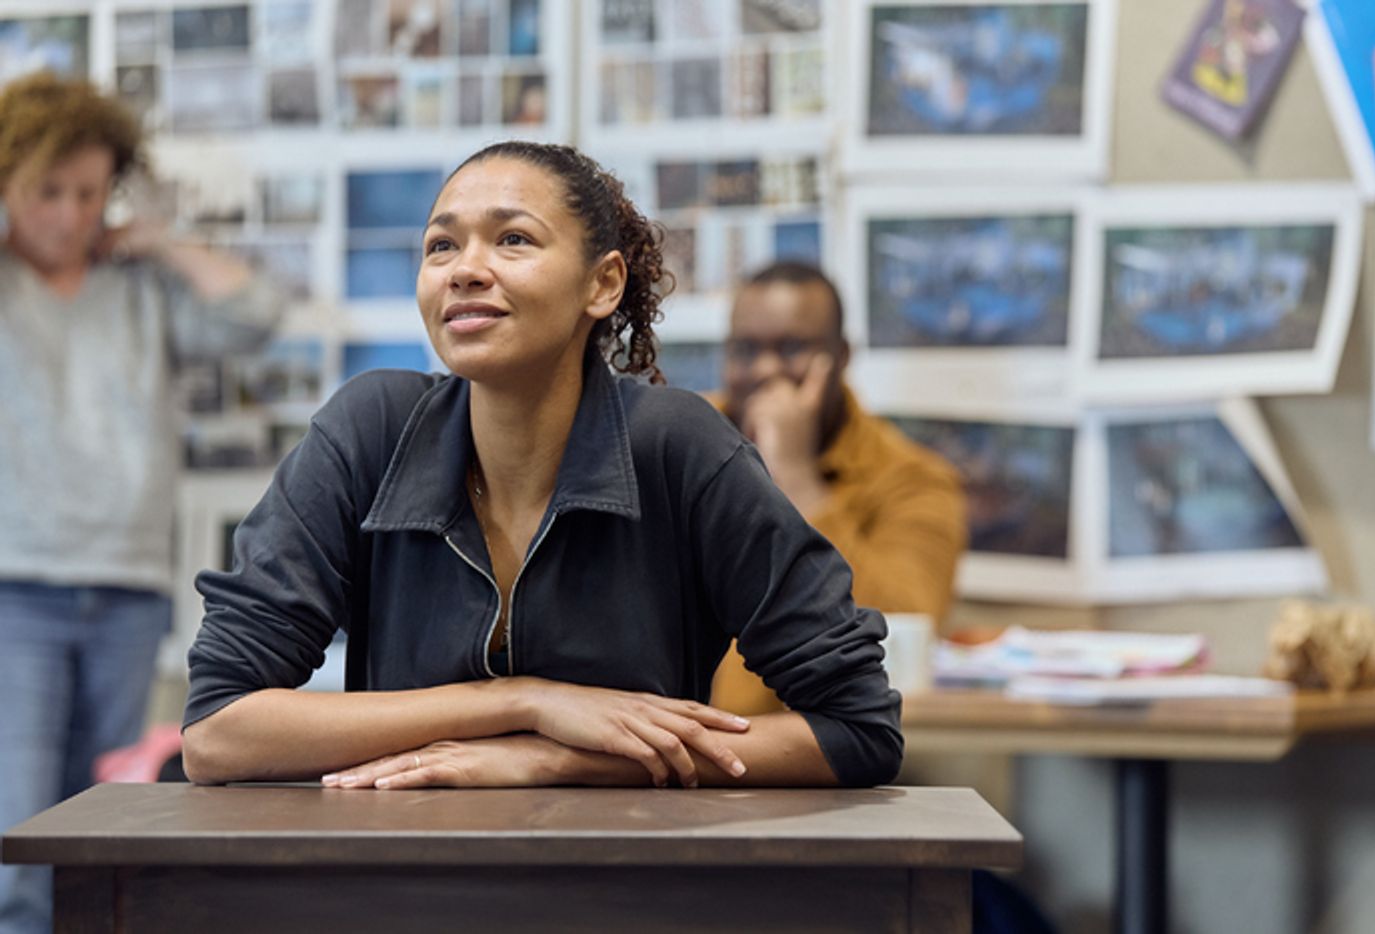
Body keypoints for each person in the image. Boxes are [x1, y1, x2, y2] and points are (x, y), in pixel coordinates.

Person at [180, 142, 902, 793]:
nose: (466, 269)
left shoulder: (679, 447)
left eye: (513, 239)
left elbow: (857, 729)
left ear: (603, 285)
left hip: (627, 883)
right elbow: (217, 732)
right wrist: (524, 702)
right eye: (441, 247)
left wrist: (555, 758)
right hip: (406, 885)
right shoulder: (371, 430)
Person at [0, 72, 282, 934]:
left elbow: (257, 312)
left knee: (105, 822)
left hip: (127, 586)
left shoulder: (140, 291)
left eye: (88, 191)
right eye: (47, 190)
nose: (70, 214)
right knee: (15, 829)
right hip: (16, 591)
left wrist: (157, 243)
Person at [707, 261, 967, 715]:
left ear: (842, 356)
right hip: (666, 745)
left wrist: (794, 477)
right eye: (745, 350)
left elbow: (906, 625)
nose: (765, 370)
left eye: (791, 348)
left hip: (816, 753)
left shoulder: (913, 478)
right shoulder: (683, 442)